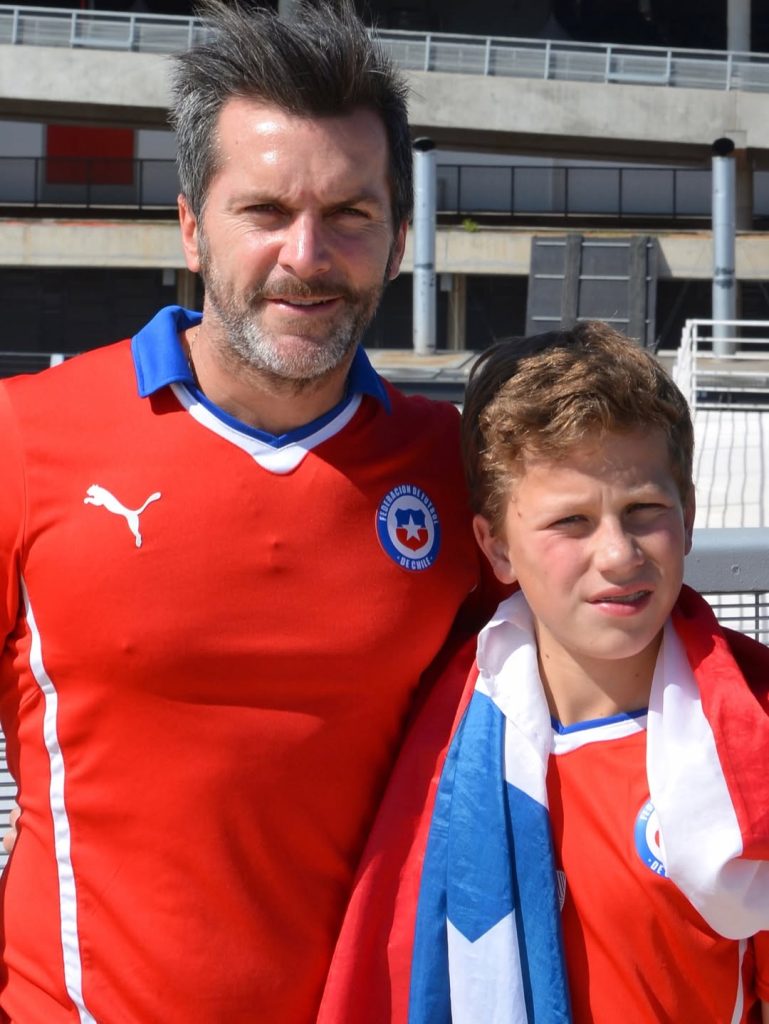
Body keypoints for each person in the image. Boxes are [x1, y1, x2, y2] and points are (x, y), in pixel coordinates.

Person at [0, 2, 496, 1020]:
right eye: (265, 210)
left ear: (399, 238)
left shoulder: (456, 469)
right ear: (192, 226)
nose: (306, 255)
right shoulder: (24, 438)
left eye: (350, 213)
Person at [319, 321, 769, 1024]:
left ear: (686, 515)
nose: (618, 555)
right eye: (571, 522)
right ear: (496, 547)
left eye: (643, 511)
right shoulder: (427, 743)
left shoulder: (751, 737)